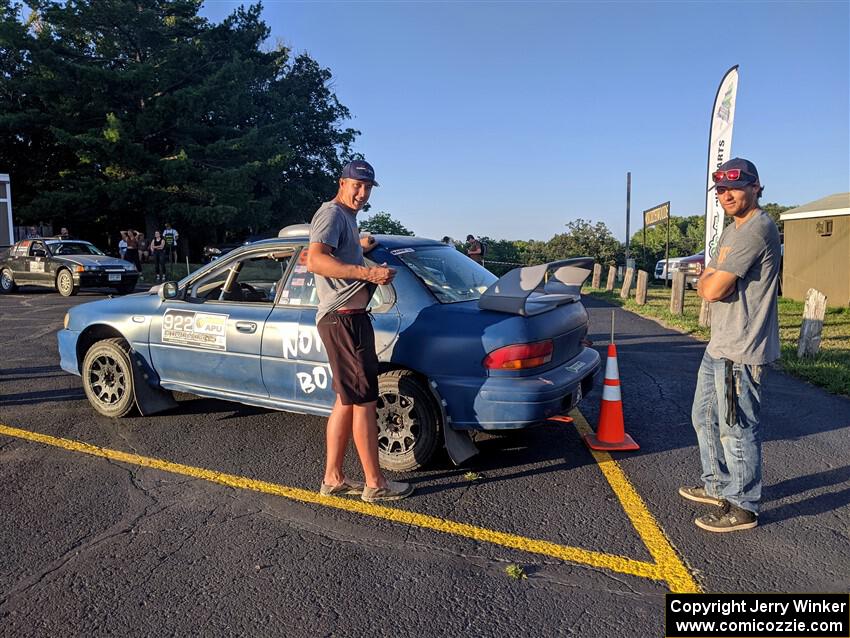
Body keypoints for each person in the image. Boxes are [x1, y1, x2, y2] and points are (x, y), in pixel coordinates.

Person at [680, 158, 781, 533]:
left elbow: (712, 287)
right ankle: (716, 485)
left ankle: (743, 507)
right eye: (720, 189)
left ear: (756, 187)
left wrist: (707, 280)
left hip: (741, 348)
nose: (726, 194)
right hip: (720, 344)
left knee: (736, 429)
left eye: (734, 187)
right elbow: (712, 277)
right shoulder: (733, 229)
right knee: (703, 418)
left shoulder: (755, 228)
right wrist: (710, 278)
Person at [306, 160, 413, 503]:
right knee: (365, 400)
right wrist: (368, 275)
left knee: (347, 400)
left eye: (367, 188)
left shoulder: (347, 220)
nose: (362, 193)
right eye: (357, 186)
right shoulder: (332, 214)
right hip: (343, 319)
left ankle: (333, 478)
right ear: (342, 182)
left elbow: (336, 253)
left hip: (349, 318)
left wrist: (359, 247)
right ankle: (374, 483)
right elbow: (316, 260)